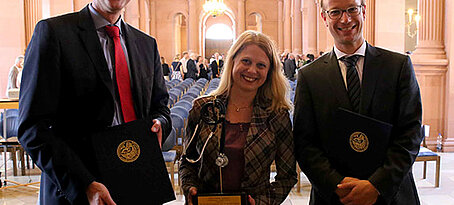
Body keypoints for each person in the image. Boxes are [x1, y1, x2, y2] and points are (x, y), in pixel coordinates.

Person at [18, 0, 173, 204]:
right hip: (77, 192)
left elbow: (160, 108)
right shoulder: (54, 33)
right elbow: (32, 127)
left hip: (136, 184)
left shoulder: (146, 43)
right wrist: (83, 183)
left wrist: (161, 122)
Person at [293, 0, 423, 204]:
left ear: (363, 10)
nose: (345, 19)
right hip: (334, 197)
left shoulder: (398, 67)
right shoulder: (309, 76)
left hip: (390, 195)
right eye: (335, 12)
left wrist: (376, 185)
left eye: (352, 9)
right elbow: (305, 143)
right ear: (324, 17)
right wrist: (338, 185)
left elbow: (411, 132)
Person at [180, 30, 297, 205]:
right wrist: (189, 188)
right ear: (232, 61)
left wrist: (261, 203)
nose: (252, 70)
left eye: (261, 65)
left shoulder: (276, 114)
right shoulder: (202, 108)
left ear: (269, 71)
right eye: (246, 61)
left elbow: (287, 176)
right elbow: (187, 161)